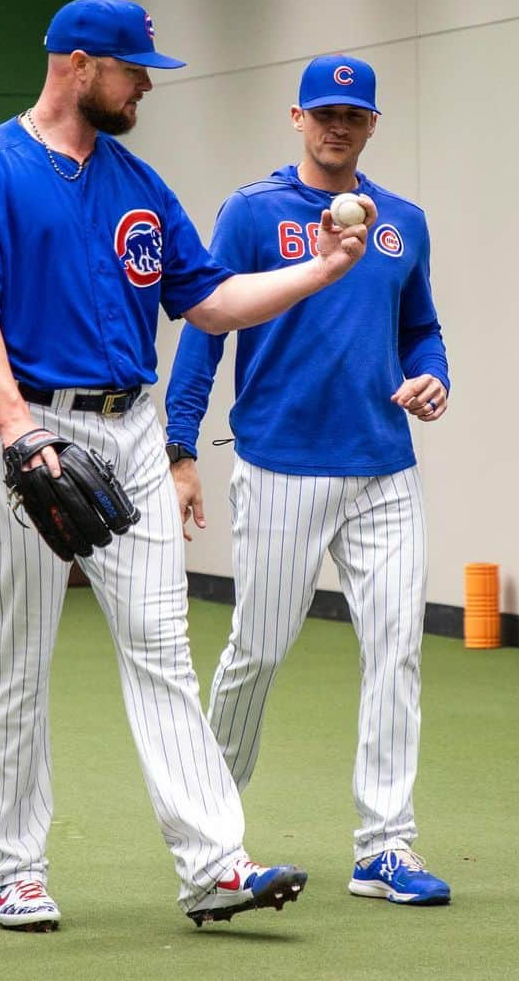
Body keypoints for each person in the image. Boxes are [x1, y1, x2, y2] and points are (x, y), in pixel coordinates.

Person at [0, 0, 376, 931]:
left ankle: (214, 862)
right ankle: (12, 867)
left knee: (164, 647)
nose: (144, 90)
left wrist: (322, 270)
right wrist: (17, 430)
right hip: (28, 424)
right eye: (133, 73)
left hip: (127, 431)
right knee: (17, 656)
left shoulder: (139, 183)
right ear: (79, 65)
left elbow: (209, 301)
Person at [164, 54, 452, 906]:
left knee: (396, 651)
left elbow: (423, 328)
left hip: (384, 470)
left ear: (371, 126)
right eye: (324, 112)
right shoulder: (252, 213)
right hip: (280, 464)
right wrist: (181, 445)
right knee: (257, 650)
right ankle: (208, 837)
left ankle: (385, 847)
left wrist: (433, 374)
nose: (338, 125)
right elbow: (205, 329)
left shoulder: (402, 221)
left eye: (353, 115)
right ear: (296, 117)